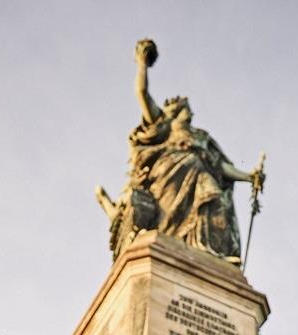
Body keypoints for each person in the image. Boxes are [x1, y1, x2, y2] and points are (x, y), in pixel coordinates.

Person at [96, 38, 265, 261]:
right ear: (176, 111)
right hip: (169, 179)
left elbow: (219, 166)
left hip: (200, 178)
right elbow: (142, 93)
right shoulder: (162, 124)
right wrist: (141, 64)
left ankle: (209, 251)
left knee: (213, 197)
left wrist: (248, 176)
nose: (190, 113)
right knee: (173, 217)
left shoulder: (201, 137)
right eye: (186, 109)